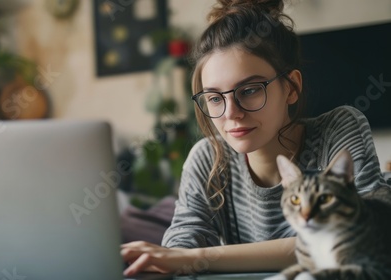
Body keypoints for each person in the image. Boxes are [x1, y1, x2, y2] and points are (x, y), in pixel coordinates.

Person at [121, 0, 390, 276]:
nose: (232, 114)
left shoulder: (338, 130)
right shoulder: (207, 158)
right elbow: (180, 247)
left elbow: (372, 233)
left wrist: (199, 256)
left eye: (249, 90)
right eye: (214, 98)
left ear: (292, 87)